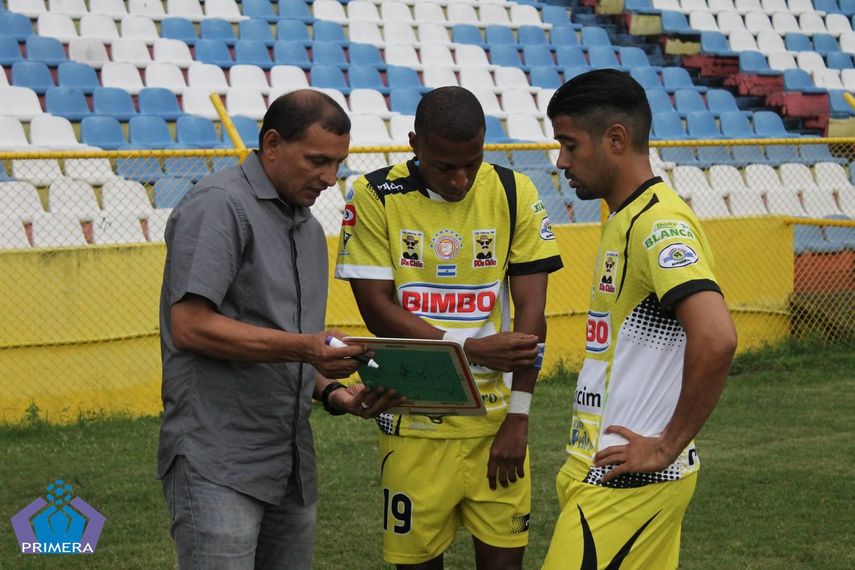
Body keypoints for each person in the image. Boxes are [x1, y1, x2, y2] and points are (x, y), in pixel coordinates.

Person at [157, 89, 400, 570]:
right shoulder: (220, 205)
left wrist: (334, 392)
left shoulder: (307, 228)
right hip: (217, 460)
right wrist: (309, 347)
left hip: (289, 462)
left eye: (338, 163)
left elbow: (285, 347)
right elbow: (189, 327)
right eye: (317, 160)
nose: (330, 178)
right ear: (271, 144)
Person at [335, 86, 564, 570]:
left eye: (473, 162)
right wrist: (473, 349)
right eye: (444, 167)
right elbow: (377, 309)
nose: (461, 180)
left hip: (495, 425)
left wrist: (519, 417)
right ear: (414, 144)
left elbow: (532, 318)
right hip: (412, 420)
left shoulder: (512, 190)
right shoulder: (375, 194)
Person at [542, 69, 738, 569]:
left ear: (616, 139)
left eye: (569, 144)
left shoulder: (658, 224)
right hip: (614, 475)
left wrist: (667, 445)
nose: (560, 161)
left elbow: (716, 338)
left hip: (628, 484)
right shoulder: (624, 216)